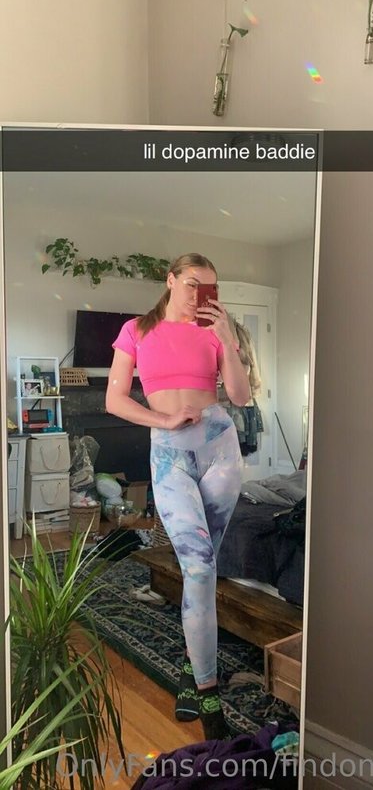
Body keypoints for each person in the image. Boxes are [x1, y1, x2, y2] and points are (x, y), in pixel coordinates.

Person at [106, 253, 250, 740]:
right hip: (170, 454)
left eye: (209, 288)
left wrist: (227, 339)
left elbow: (240, 396)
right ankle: (209, 694)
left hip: (220, 450)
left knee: (204, 568)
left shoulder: (216, 331)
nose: (198, 296)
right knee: (198, 567)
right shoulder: (136, 331)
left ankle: (194, 665)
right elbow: (114, 399)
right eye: (191, 284)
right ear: (170, 281)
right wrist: (164, 420)